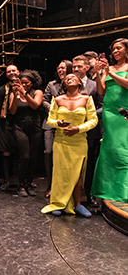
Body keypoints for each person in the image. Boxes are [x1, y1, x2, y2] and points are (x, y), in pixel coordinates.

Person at [41, 73, 97, 217]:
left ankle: (78, 204)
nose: (69, 79)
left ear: (79, 82)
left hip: (79, 141)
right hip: (61, 140)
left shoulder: (87, 99)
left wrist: (78, 128)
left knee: (78, 174)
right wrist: (58, 124)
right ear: (64, 84)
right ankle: (59, 202)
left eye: (73, 77)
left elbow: (93, 120)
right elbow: (50, 120)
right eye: (66, 79)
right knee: (61, 173)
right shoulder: (58, 99)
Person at [92, 38, 128, 202]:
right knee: (109, 149)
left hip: (123, 111)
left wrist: (110, 73)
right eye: (113, 49)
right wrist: (100, 74)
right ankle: (106, 190)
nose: (115, 51)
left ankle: (123, 190)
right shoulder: (109, 68)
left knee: (122, 150)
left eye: (118, 48)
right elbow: (101, 90)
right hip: (109, 112)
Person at [72, 55, 103, 206]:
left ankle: (89, 195)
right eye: (74, 67)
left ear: (86, 68)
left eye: (79, 66)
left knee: (89, 164)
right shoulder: (67, 83)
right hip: (71, 133)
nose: (76, 69)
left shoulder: (94, 84)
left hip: (90, 131)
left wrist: (87, 117)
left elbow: (103, 106)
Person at [9, 69, 43, 197]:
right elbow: (12, 111)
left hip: (35, 126)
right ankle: (21, 185)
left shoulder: (37, 92)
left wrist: (25, 94)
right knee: (25, 156)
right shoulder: (15, 93)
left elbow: (35, 105)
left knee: (33, 157)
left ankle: (29, 183)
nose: (23, 85)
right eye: (21, 83)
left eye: (26, 83)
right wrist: (14, 94)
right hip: (20, 126)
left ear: (31, 83)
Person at [42, 60, 71, 197]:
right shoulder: (51, 85)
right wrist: (50, 107)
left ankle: (66, 187)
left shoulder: (74, 84)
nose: (61, 70)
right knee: (48, 152)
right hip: (51, 123)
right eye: (59, 68)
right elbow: (44, 100)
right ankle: (50, 185)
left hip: (68, 124)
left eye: (63, 68)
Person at [0, 65, 20, 190]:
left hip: (21, 121)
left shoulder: (24, 86)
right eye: (9, 71)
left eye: (13, 70)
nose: (11, 73)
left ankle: (21, 180)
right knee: (5, 152)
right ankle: (6, 180)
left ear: (18, 72)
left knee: (21, 152)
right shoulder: (2, 89)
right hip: (6, 121)